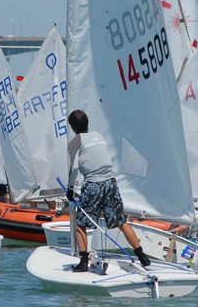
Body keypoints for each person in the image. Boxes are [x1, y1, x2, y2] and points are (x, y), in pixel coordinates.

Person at [65, 109, 152, 272]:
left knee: (80, 224)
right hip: (110, 183)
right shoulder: (98, 136)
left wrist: (70, 189)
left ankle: (83, 262)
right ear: (87, 122)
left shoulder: (75, 142)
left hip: (93, 185)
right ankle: (143, 257)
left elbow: (74, 167)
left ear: (73, 126)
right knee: (121, 222)